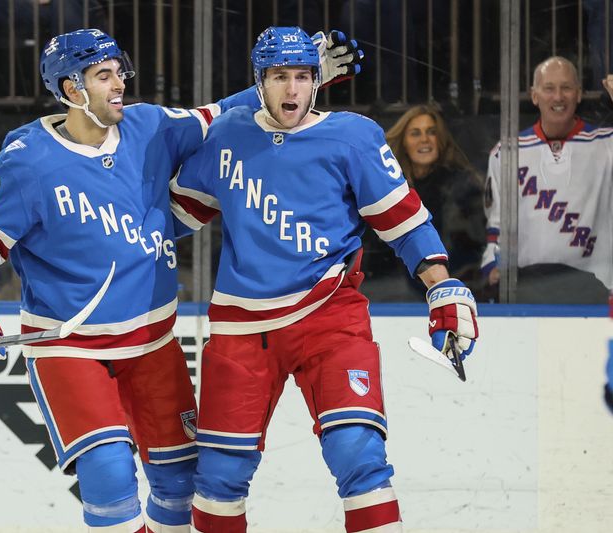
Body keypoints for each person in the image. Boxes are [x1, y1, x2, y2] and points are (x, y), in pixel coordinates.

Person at [0, 27, 360, 532]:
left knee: (180, 483)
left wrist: (288, 86)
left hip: (154, 345)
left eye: (120, 72)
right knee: (109, 475)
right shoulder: (27, 161)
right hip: (74, 350)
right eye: (103, 76)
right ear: (71, 89)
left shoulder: (149, 126)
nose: (119, 85)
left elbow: (216, 115)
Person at [169, 26, 478, 532]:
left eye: (302, 76)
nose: (291, 89)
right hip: (243, 330)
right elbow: (170, 221)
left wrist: (442, 287)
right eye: (278, 77)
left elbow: (405, 223)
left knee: (358, 455)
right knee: (219, 476)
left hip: (330, 319)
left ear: (317, 80)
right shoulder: (226, 135)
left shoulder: (353, 136)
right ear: (258, 81)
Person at [481, 57, 613, 304]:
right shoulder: (507, 151)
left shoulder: (607, 143)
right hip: (531, 291)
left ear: (579, 94)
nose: (558, 97)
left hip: (596, 292)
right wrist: (493, 266)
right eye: (549, 88)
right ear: (534, 95)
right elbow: (497, 225)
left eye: (566, 88)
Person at [362, 105, 486, 300]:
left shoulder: (463, 184)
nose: (424, 139)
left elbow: (471, 245)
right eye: (415, 133)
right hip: (394, 289)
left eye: (431, 132)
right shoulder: (387, 186)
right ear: (403, 141)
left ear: (441, 139)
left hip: (450, 286)